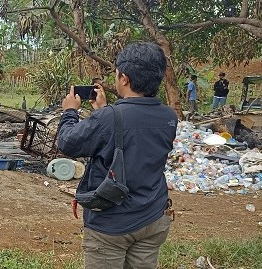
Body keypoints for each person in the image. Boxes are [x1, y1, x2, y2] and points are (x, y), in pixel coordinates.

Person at [57, 42, 177, 269]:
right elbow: (134, 141)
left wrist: (70, 111)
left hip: (112, 224)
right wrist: (103, 111)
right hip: (153, 218)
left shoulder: (110, 118)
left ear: (124, 78)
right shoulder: (168, 117)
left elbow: (68, 142)